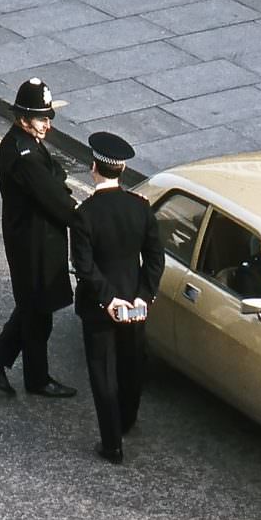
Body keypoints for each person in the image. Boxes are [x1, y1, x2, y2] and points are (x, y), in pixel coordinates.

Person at [0, 78, 79, 398]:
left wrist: (57, 179)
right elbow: (56, 198)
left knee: (32, 307)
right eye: (41, 119)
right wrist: (85, 220)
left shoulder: (24, 142)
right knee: (38, 314)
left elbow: (56, 172)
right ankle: (37, 379)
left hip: (33, 239)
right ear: (23, 119)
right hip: (33, 244)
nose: (47, 126)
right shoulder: (24, 153)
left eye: (48, 118)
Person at [70, 132, 165, 464]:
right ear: (121, 169)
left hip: (100, 309)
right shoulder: (140, 208)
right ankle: (127, 419)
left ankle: (112, 444)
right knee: (130, 364)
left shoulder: (84, 214)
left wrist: (108, 300)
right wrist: (143, 297)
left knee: (103, 373)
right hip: (135, 304)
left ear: (94, 168)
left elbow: (84, 266)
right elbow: (155, 258)